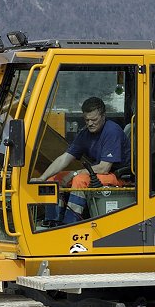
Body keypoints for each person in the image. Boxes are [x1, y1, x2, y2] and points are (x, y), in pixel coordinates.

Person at [33, 96, 130, 225]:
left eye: (94, 119)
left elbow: (104, 168)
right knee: (54, 179)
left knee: (80, 180)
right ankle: (52, 221)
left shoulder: (112, 131)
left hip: (119, 176)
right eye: (87, 120)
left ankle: (71, 223)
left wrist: (74, 174)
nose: (90, 123)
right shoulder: (85, 133)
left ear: (103, 116)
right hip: (99, 174)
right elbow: (64, 158)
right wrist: (43, 177)